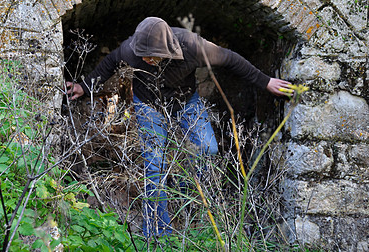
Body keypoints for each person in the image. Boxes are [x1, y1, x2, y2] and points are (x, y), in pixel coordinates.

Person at [65, 17, 291, 238]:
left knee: (208, 148)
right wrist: (84, 87)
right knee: (154, 165)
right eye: (142, 55)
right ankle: (157, 233)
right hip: (148, 105)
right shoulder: (131, 49)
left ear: (165, 49)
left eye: (151, 56)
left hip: (185, 101)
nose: (145, 60)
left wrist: (266, 81)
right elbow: (109, 63)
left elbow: (231, 59)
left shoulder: (192, 45)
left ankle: (183, 193)